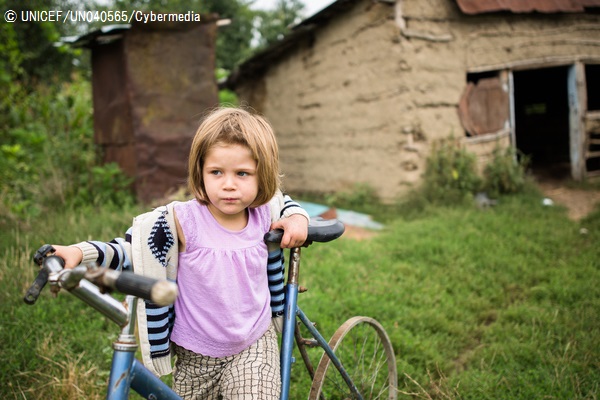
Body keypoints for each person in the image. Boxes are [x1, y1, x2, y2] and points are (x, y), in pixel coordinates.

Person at [49, 107, 309, 399]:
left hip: (253, 344)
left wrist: (298, 219)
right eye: (216, 172)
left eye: (243, 173)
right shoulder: (182, 222)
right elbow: (132, 249)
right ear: (200, 171)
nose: (228, 184)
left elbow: (286, 204)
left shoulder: (264, 213)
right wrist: (79, 252)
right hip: (194, 356)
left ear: (263, 175)